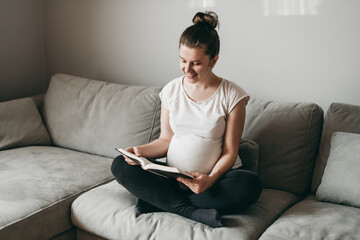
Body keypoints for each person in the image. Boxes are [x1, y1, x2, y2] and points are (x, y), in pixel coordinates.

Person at [111, 11, 262, 228]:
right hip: (172, 178)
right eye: (183, 61)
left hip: (211, 183)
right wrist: (139, 152)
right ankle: (190, 211)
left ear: (214, 60)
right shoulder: (171, 90)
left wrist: (209, 179)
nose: (187, 69)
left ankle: (159, 201)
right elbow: (165, 140)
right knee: (119, 165)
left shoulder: (233, 95)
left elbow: (230, 151)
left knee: (250, 184)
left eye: (196, 63)